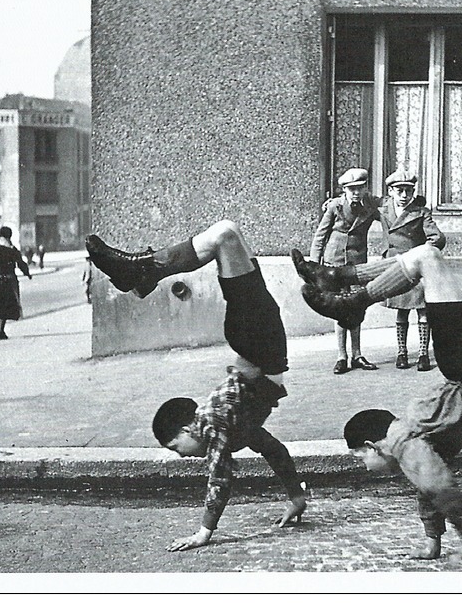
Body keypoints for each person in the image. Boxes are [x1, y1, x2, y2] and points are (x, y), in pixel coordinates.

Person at [85, 220, 307, 551]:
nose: (182, 456)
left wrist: (204, 532)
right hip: (261, 341)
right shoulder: (237, 428)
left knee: (224, 236)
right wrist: (296, 497)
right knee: (227, 234)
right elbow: (275, 451)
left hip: (258, 340)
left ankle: (144, 272)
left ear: (190, 427)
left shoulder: (215, 424)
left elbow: (220, 479)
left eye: (176, 447)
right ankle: (144, 272)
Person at [291, 242, 462, 561]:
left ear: (373, 444)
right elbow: (429, 487)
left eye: (362, 457)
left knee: (427, 258)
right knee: (426, 258)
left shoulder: (404, 443)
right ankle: (339, 280)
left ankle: (346, 292)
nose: (365, 466)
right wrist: (433, 542)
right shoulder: (411, 441)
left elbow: (438, 485)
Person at [309, 167, 380, 375]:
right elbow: (320, 236)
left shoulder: (370, 205)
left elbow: (390, 208)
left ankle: (357, 355)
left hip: (357, 264)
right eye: (352, 189)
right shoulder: (334, 206)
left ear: (366, 188)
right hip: (335, 263)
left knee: (357, 308)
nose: (356, 193)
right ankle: (342, 356)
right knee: (339, 308)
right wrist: (314, 265)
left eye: (360, 188)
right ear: (344, 190)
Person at [379, 170, 446, 372]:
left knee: (422, 310)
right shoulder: (383, 208)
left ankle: (423, 354)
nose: (404, 195)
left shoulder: (421, 212)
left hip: (415, 268)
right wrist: (334, 203)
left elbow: (437, 238)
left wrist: (420, 254)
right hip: (395, 266)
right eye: (399, 191)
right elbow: (360, 202)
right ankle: (402, 353)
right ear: (391, 191)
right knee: (401, 311)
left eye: (409, 191)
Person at [0, 226, 32, 340]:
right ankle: (0, 329)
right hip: (9, 281)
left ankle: (0, 328)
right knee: (6, 305)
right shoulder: (12, 249)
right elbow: (21, 263)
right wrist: (27, 274)